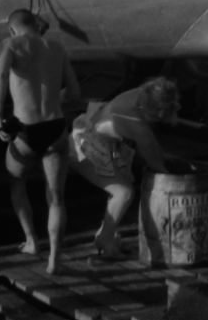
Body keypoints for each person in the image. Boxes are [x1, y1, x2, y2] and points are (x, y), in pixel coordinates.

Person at [0, 9, 80, 272]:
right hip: (55, 128)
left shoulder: (11, 45)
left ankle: (31, 241)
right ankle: (55, 259)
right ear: (34, 24)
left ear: (12, 28)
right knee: (56, 197)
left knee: (16, 180)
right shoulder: (57, 46)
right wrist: (53, 99)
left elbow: (1, 77)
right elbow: (75, 92)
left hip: (25, 130)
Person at [69, 77, 180, 266]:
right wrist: (174, 177)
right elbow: (153, 157)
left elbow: (153, 146)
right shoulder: (135, 123)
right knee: (124, 192)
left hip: (103, 139)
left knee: (122, 187)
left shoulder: (141, 94)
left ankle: (107, 233)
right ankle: (104, 239)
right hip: (85, 142)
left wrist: (165, 157)